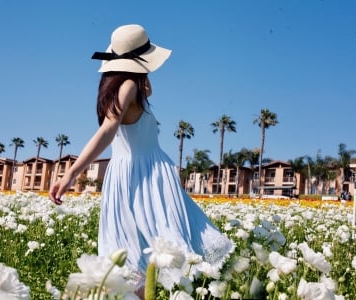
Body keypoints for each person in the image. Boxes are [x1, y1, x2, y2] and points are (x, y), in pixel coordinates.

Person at [49, 24, 234, 293]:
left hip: (135, 173)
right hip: (144, 174)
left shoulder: (127, 86)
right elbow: (108, 130)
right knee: (143, 252)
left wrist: (137, 69)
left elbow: (147, 89)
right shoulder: (127, 86)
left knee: (138, 252)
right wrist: (72, 173)